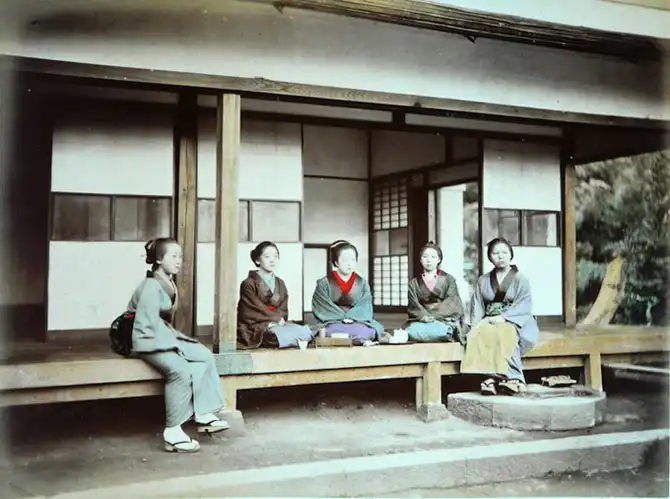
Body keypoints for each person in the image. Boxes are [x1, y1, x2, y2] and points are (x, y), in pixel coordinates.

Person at [128, 238, 229, 453]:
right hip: (143, 339)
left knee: (204, 356)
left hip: (161, 335)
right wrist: (175, 347)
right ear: (158, 259)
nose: (178, 261)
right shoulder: (151, 286)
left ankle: (203, 412)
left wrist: (176, 343)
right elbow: (144, 327)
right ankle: (172, 432)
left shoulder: (167, 282)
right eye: (173, 256)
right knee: (179, 371)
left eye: (180, 256)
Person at [460, 237, 539, 395]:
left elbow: (524, 304)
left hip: (517, 320)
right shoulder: (483, 280)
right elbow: (478, 305)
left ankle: (512, 378)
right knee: (482, 333)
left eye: (504, 252)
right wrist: (476, 325)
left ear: (511, 255)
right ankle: (493, 378)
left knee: (504, 332)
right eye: (496, 253)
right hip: (490, 319)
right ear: (490, 257)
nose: (500, 256)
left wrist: (503, 318)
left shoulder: (520, 279)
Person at [237, 241, 314, 349]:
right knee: (275, 336)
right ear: (257, 260)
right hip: (257, 326)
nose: (272, 260)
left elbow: (283, 307)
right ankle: (288, 339)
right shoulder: (248, 283)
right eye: (267, 256)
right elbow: (251, 309)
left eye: (275, 256)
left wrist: (277, 320)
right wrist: (273, 319)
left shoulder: (280, 283)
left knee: (306, 332)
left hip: (277, 323)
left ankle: (287, 338)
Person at [311, 240, 384, 345]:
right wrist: (343, 318)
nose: (349, 264)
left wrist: (351, 317)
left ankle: (345, 339)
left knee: (366, 331)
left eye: (353, 260)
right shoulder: (324, 283)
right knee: (327, 331)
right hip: (333, 322)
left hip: (357, 321)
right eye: (345, 260)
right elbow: (321, 305)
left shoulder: (362, 282)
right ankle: (357, 340)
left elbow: (365, 305)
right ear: (336, 262)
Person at [401, 242, 465, 343]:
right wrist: (424, 317)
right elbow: (414, 305)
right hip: (422, 320)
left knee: (443, 329)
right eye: (425, 257)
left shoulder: (448, 279)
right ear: (420, 259)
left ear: (439, 259)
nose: (429, 260)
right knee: (411, 330)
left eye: (433, 257)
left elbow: (452, 302)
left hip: (443, 320)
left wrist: (434, 317)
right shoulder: (414, 283)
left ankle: (444, 332)